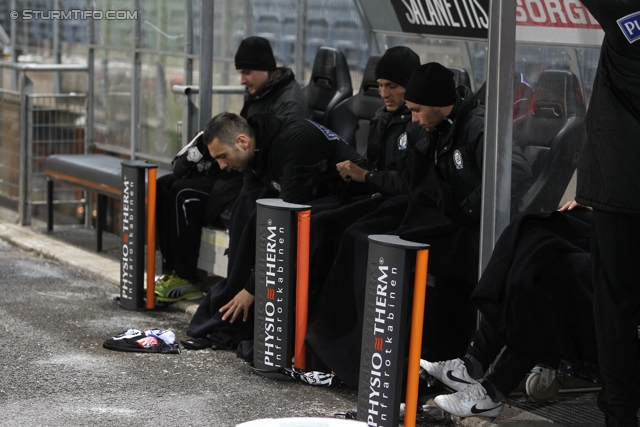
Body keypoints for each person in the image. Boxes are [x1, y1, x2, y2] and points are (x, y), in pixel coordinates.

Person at [184, 111, 365, 349]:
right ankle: (234, 305)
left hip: (349, 200)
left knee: (305, 227)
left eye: (223, 157)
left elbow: (288, 223)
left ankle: (276, 320)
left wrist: (253, 287)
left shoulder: (294, 143)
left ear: (242, 142)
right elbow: (249, 202)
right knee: (246, 207)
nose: (222, 166)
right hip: (311, 197)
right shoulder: (255, 147)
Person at [155, 36, 311, 303]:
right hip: (240, 172)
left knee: (184, 193)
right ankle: (171, 270)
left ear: (266, 69)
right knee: (165, 184)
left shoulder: (289, 101)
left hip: (256, 180)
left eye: (246, 72)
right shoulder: (258, 92)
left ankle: (187, 277)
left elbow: (276, 150)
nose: (242, 80)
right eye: (240, 73)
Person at [422, 204, 594, 419]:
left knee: (547, 276)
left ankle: (493, 392)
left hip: (625, 246)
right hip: (610, 223)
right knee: (528, 230)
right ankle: (472, 363)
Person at [305, 46, 424, 305]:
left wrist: (366, 176)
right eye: (380, 86)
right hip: (378, 196)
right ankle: (306, 306)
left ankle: (330, 315)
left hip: (402, 206)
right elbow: (375, 168)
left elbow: (407, 183)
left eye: (392, 85)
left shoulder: (420, 124)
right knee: (309, 215)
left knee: (332, 227)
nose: (384, 94)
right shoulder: (382, 118)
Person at [573, 3, 640, 425]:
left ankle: (619, 413)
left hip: (622, 190)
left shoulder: (627, 14)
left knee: (616, 309)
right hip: (619, 188)